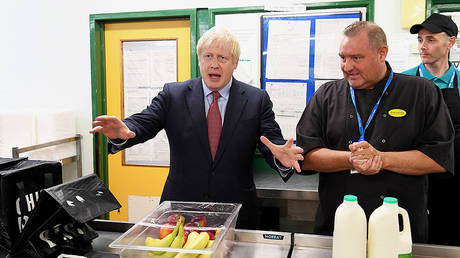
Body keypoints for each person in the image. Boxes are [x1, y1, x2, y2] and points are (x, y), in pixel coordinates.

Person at [90, 26, 304, 229]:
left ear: (235, 62)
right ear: (199, 59)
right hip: (180, 211)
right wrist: (123, 131)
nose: (214, 64)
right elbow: (144, 121)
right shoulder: (173, 95)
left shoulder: (256, 99)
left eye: (222, 58)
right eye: (208, 56)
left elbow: (272, 143)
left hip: (236, 212)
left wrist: (280, 156)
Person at [296, 21, 454, 243]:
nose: (347, 66)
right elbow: (306, 157)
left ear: (382, 53)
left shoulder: (422, 92)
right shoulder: (326, 95)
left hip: (399, 227)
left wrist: (380, 158)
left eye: (356, 58)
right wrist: (352, 159)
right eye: (343, 57)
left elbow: (439, 159)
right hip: (337, 225)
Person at [403, 13, 460, 246]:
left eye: (431, 40)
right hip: (413, 182)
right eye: (420, 40)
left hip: (454, 186)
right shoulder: (403, 82)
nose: (423, 46)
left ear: (451, 42)